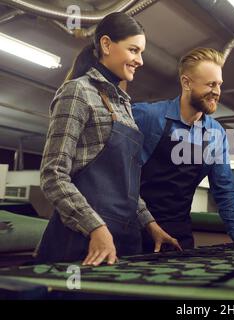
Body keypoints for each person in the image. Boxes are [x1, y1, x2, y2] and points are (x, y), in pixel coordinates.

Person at [37, 12, 180, 266]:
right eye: (134, 50)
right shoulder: (78, 92)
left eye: (141, 52)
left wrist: (150, 224)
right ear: (106, 44)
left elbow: (125, 186)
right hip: (81, 242)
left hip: (124, 240)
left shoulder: (124, 104)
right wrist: (95, 228)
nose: (140, 60)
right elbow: (53, 175)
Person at [132, 47, 234, 251]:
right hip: (133, 232)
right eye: (210, 84)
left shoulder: (216, 133)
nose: (217, 91)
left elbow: (223, 188)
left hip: (179, 237)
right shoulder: (147, 116)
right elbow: (117, 176)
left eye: (219, 84)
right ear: (186, 82)